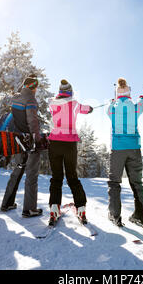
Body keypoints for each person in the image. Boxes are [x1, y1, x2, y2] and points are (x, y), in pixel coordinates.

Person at [47, 79, 93, 225]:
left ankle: (54, 208)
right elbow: (86, 109)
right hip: (70, 144)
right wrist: (90, 108)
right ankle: (81, 208)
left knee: (56, 177)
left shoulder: (52, 103)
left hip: (54, 142)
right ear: (70, 92)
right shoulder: (74, 104)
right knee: (72, 177)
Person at [106, 78, 143, 229]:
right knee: (137, 183)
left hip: (118, 148)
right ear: (129, 92)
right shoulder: (135, 107)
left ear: (117, 93)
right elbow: (142, 105)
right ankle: (142, 216)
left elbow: (108, 110)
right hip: (134, 148)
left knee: (114, 182)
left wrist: (112, 101)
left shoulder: (112, 108)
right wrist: (141, 98)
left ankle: (114, 215)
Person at [0, 74, 43, 218]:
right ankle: (29, 209)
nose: (36, 90)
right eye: (36, 87)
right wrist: (37, 139)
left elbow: (12, 119)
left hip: (17, 140)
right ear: (33, 87)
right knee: (31, 174)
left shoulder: (15, 98)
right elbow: (32, 121)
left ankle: (7, 203)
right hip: (29, 141)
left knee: (17, 170)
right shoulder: (30, 99)